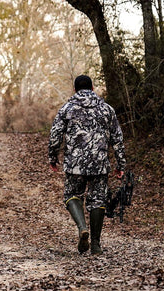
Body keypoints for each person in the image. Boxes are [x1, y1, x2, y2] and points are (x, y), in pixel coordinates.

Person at [48, 75, 126, 255]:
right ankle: (96, 245)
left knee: (72, 194)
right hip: (99, 164)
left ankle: (82, 227)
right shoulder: (107, 109)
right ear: (92, 88)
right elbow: (118, 139)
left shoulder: (67, 109)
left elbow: (55, 135)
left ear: (75, 90)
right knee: (98, 200)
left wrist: (53, 157)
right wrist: (120, 164)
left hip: (75, 164)